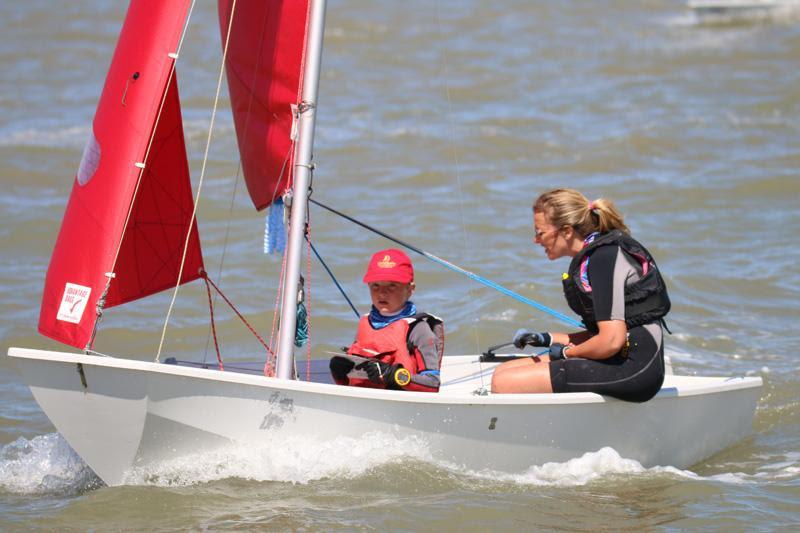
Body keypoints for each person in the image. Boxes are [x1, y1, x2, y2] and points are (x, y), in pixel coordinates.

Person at [491, 188, 670, 402]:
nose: (536, 240)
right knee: (503, 372)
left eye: (540, 233)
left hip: (634, 369)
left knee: (504, 382)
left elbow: (611, 340)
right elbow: (606, 335)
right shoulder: (595, 255)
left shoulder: (603, 258)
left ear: (566, 231)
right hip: (618, 358)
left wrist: (566, 354)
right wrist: (546, 339)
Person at [329, 248, 444, 392]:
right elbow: (353, 382)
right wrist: (340, 374)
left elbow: (433, 384)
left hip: (401, 404)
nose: (382, 293)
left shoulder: (419, 330)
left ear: (410, 289)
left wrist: (393, 374)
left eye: (392, 285)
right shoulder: (366, 323)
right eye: (375, 285)